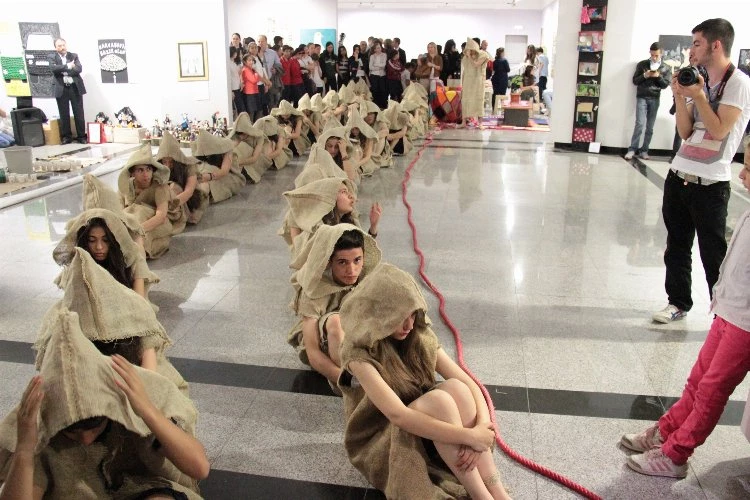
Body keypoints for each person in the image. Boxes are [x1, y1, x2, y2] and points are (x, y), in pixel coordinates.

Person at [623, 141, 750, 478]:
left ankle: (676, 455)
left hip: (746, 324)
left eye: (749, 170)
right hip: (728, 311)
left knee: (712, 389)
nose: (741, 174)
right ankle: (667, 429)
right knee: (697, 379)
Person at [337, 263, 511, 499]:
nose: (409, 325)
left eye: (413, 314)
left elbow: (467, 382)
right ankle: (481, 495)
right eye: (400, 318)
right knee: (440, 400)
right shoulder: (359, 353)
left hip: (426, 423)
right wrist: (469, 437)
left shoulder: (417, 334)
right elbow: (398, 415)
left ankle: (498, 492)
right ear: (380, 316)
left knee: (457, 389)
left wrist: (481, 426)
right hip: (384, 436)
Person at [0, 308, 207, 499]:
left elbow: (199, 467)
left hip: (142, 489)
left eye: (95, 428)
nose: (86, 439)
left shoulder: (127, 404)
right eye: (73, 433)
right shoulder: (42, 424)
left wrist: (148, 410)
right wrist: (24, 450)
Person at [652, 18, 750, 324]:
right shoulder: (700, 80)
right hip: (679, 175)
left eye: (696, 43)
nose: (691, 50)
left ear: (715, 45)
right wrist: (680, 96)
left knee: (713, 254)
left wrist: (699, 97)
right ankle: (678, 302)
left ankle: (722, 314)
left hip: (711, 184)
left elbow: (719, 130)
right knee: (676, 246)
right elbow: (685, 132)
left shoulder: (739, 83)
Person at [287, 225, 381, 393]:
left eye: (357, 260)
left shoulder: (365, 279)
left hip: (356, 344)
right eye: (342, 262)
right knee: (336, 321)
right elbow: (313, 353)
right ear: (329, 261)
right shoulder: (313, 291)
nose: (351, 270)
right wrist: (353, 384)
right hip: (327, 350)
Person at [117, 145, 173, 259]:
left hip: (155, 226)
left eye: (148, 169)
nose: (145, 174)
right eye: (140, 170)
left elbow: (161, 216)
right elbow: (119, 213)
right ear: (132, 173)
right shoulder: (125, 188)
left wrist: (137, 230)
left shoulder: (159, 188)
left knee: (139, 212)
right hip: (131, 226)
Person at [624, 42, 672, 160]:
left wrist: (658, 76)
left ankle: (644, 150)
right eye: (652, 55)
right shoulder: (642, 64)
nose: (654, 57)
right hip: (642, 96)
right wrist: (645, 75)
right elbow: (635, 81)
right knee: (640, 124)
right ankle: (632, 149)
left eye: (656, 55)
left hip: (655, 98)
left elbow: (665, 85)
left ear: (661, 54)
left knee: (650, 127)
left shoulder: (666, 67)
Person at [156, 131, 204, 228]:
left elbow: (189, 191)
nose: (167, 165)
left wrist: (169, 205)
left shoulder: (189, 167)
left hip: (186, 200)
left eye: (171, 162)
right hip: (164, 201)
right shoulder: (158, 168)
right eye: (164, 162)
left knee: (174, 188)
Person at [193, 129, 246, 204]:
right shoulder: (200, 154)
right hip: (212, 174)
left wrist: (208, 176)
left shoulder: (227, 149)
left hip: (231, 176)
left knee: (209, 184)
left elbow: (224, 171)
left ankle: (198, 199)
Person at [49, 38, 86, 144]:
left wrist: (63, 70)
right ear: (55, 48)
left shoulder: (73, 56)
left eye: (63, 45)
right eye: (59, 46)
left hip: (74, 87)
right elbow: (53, 69)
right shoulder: (51, 57)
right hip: (62, 88)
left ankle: (81, 136)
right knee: (64, 113)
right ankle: (66, 137)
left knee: (79, 112)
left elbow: (78, 69)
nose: (62, 47)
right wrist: (68, 66)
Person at [460, 38, 490, 128]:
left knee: (479, 100)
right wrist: (462, 83)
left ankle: (480, 123)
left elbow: (476, 64)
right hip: (467, 81)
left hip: (478, 81)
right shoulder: (465, 57)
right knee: (465, 100)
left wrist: (469, 57)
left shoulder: (483, 54)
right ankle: (463, 122)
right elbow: (464, 71)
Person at [369, 40, 388, 109]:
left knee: (383, 91)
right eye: (377, 48)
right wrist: (379, 67)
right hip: (374, 76)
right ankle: (375, 107)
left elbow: (384, 65)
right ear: (374, 50)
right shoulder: (372, 56)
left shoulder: (384, 55)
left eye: (380, 47)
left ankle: (383, 106)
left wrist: (375, 65)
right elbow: (370, 67)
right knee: (375, 91)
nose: (379, 49)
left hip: (382, 76)